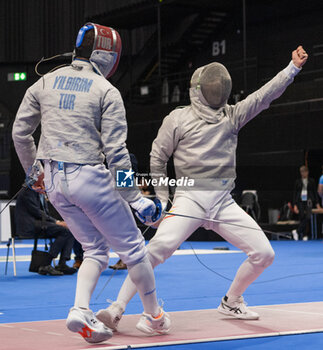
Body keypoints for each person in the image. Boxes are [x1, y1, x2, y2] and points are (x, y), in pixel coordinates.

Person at [95, 46, 309, 328]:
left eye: (219, 87)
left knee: (264, 254)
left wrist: (292, 68)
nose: (216, 91)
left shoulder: (232, 115)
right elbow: (157, 159)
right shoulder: (178, 119)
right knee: (157, 249)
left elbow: (264, 95)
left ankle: (232, 301)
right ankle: (117, 308)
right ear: (197, 89)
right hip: (189, 199)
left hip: (222, 202)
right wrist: (163, 199)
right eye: (211, 86)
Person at [12, 23, 170, 344]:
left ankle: (79, 309)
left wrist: (34, 173)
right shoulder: (105, 91)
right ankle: (155, 317)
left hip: (54, 182)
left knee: (95, 249)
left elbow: (20, 132)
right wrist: (136, 200)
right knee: (135, 251)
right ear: (104, 55)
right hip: (89, 178)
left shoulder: (45, 82)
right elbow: (116, 152)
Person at [15, 185, 76, 275]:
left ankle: (62, 264)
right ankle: (45, 264)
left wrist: (57, 222)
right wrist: (56, 222)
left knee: (69, 229)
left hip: (40, 224)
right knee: (64, 231)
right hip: (30, 226)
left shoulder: (40, 193)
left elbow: (44, 214)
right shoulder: (27, 192)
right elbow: (36, 212)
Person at [292, 165, 321, 240]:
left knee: (308, 217)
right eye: (301, 172)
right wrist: (295, 205)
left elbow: (315, 193)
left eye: (304, 172)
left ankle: (298, 232)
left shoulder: (311, 181)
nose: (303, 173)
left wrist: (317, 204)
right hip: (300, 201)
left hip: (309, 201)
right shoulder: (297, 182)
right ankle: (302, 234)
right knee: (302, 216)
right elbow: (295, 193)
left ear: (307, 172)